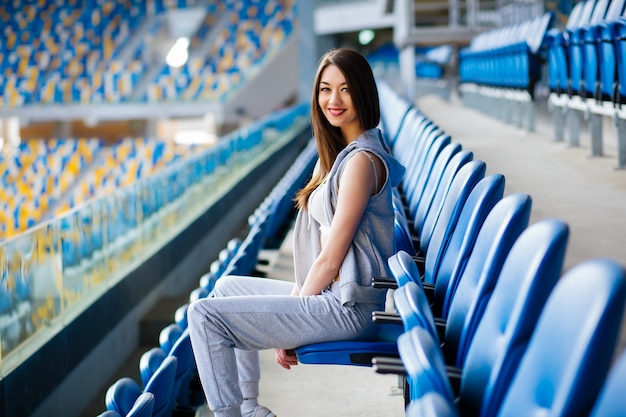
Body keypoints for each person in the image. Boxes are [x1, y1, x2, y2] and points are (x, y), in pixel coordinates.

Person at [188, 47, 405, 417]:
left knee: (204, 315)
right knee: (225, 288)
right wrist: (296, 301)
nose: (332, 100)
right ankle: (250, 408)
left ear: (364, 93)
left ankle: (230, 414)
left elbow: (331, 257)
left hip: (347, 308)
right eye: (324, 88)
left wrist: (292, 317)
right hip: (333, 296)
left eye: (345, 89)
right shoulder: (343, 155)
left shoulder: (361, 162)